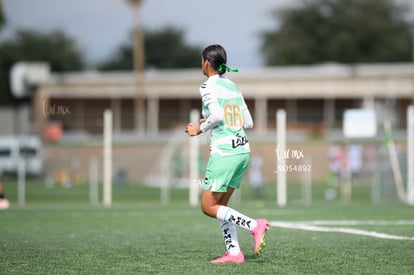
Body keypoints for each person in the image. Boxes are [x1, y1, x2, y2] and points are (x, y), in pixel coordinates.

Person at [185, 44, 269, 264]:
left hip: (225, 153)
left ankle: (254, 225)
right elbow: (248, 122)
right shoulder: (233, 85)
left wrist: (199, 129)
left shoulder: (206, 86)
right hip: (242, 150)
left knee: (208, 206)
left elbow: (217, 115)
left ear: (206, 62)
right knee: (221, 207)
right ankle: (233, 252)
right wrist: (214, 123)